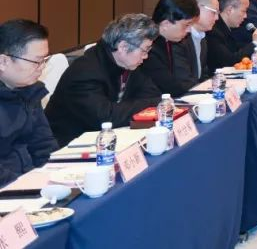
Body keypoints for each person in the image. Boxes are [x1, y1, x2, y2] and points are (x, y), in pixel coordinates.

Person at [45, 14, 161, 147]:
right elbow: (106, 118)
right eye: (144, 51)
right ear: (123, 47)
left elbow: (153, 95)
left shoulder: (127, 63)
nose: (146, 57)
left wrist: (145, 104)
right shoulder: (85, 72)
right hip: (67, 145)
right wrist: (148, 104)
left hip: (102, 138)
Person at [0, 20, 58, 186]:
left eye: (45, 60)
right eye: (36, 61)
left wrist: (55, 175)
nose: (42, 67)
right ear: (3, 62)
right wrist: (28, 185)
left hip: (30, 181)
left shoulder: (30, 90)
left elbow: (43, 145)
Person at [141, 0, 201, 97]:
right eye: (186, 25)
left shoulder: (166, 40)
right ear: (166, 24)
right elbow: (171, 87)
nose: (189, 30)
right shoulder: (148, 48)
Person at [207, 0, 257, 70]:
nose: (245, 16)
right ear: (230, 10)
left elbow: (236, 48)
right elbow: (230, 61)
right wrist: (255, 44)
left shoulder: (227, 27)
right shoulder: (213, 31)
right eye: (244, 11)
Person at [187, 0, 220, 80]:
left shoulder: (202, 37)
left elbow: (203, 75)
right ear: (198, 8)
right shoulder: (181, 38)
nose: (217, 18)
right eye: (214, 12)